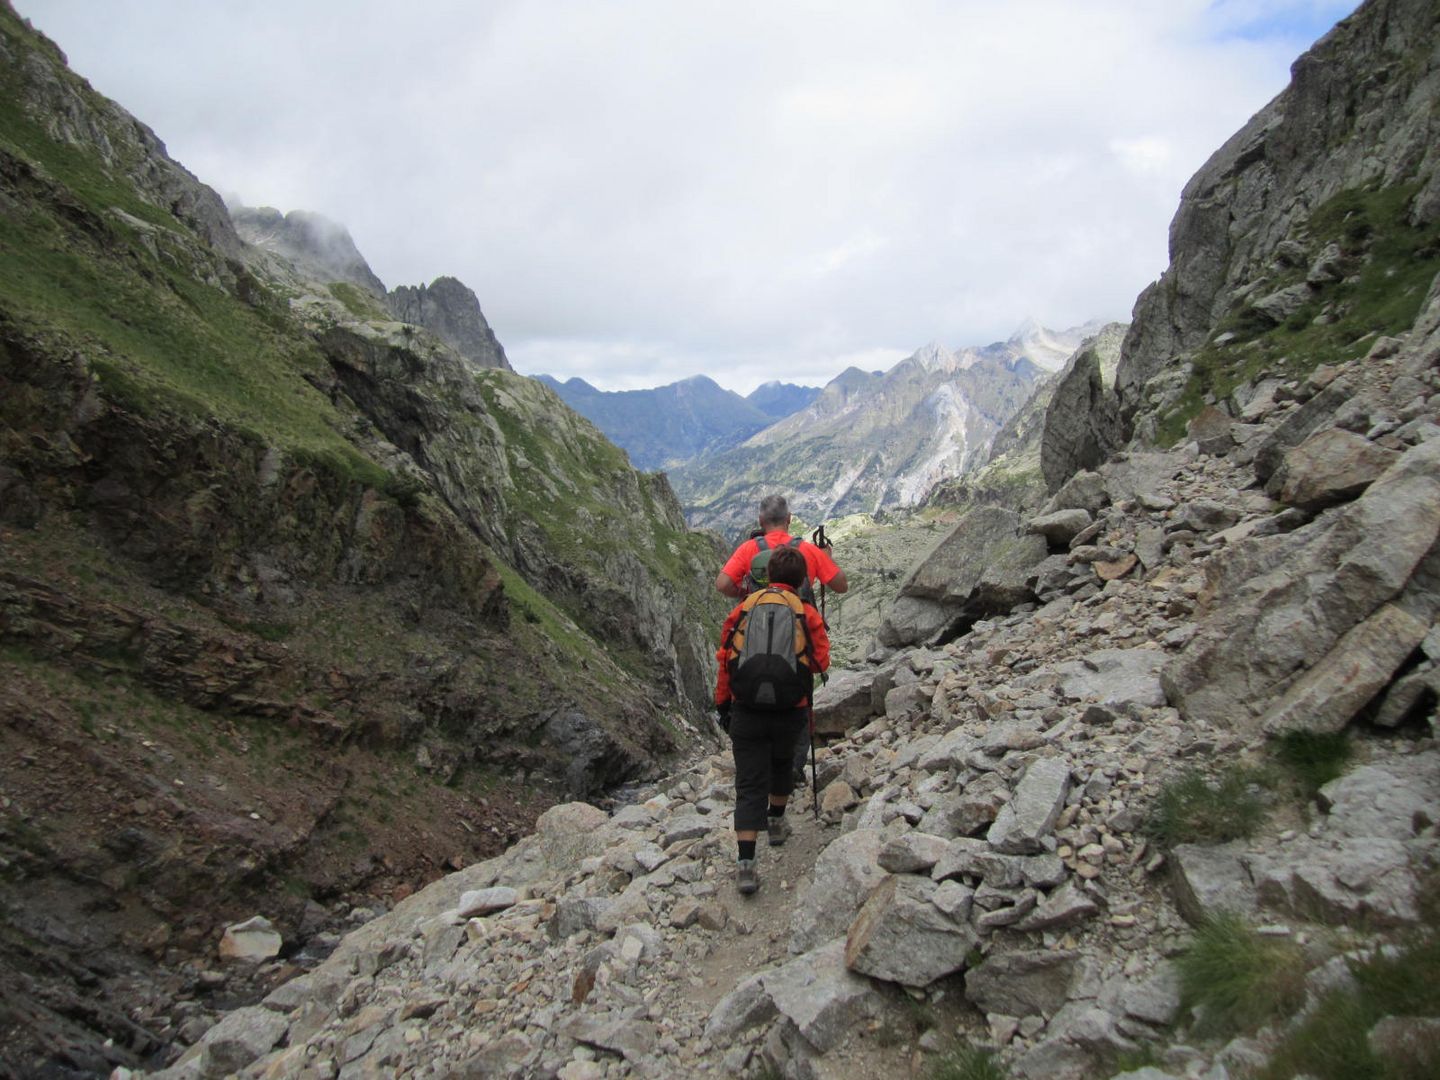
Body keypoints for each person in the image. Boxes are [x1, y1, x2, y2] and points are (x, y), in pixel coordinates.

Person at [715, 546, 830, 895]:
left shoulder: (742, 609)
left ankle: (746, 864)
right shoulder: (805, 612)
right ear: (801, 580)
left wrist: (723, 704)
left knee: (749, 785)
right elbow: (821, 663)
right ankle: (777, 824)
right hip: (790, 708)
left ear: (764, 575)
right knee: (781, 766)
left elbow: (725, 659)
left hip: (746, 709)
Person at [715, 494, 848, 600]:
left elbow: (722, 584)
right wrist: (826, 558)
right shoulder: (809, 550)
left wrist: (745, 594)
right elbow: (841, 586)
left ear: (761, 521)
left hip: (759, 627)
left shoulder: (747, 549)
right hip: (799, 626)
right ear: (789, 518)